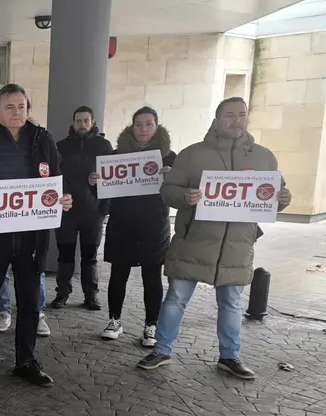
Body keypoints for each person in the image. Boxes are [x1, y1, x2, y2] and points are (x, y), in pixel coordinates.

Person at [137, 97, 292, 379]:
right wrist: (184, 197)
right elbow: (168, 190)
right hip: (194, 240)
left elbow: (274, 196)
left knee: (232, 302)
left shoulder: (264, 157)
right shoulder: (193, 154)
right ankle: (161, 349)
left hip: (237, 244)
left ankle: (229, 356)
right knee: (176, 298)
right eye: (230, 115)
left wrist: (284, 199)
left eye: (242, 115)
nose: (237, 120)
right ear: (217, 120)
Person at [0, 84, 73, 389]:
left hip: (30, 237)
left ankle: (25, 361)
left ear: (28, 109)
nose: (16, 112)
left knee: (28, 301)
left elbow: (58, 180)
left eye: (21, 106)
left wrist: (63, 198)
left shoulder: (43, 140)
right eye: (9, 107)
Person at [96, 107, 176, 347]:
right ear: (132, 127)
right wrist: (95, 183)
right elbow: (103, 192)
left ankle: (151, 326)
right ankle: (114, 320)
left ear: (157, 126)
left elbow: (180, 192)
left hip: (154, 226)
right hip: (123, 224)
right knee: (118, 275)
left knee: (152, 278)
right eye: (139, 124)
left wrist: (172, 179)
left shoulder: (170, 157)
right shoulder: (117, 155)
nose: (143, 128)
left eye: (148, 124)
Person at [51, 106, 113, 310]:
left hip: (93, 212)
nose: (82, 124)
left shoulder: (104, 146)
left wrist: (104, 209)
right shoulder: (61, 146)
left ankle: (91, 295)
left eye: (86, 120)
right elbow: (55, 176)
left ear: (92, 122)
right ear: (73, 123)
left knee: (90, 256)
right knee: (65, 255)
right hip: (66, 212)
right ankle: (62, 293)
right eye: (78, 120)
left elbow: (111, 178)